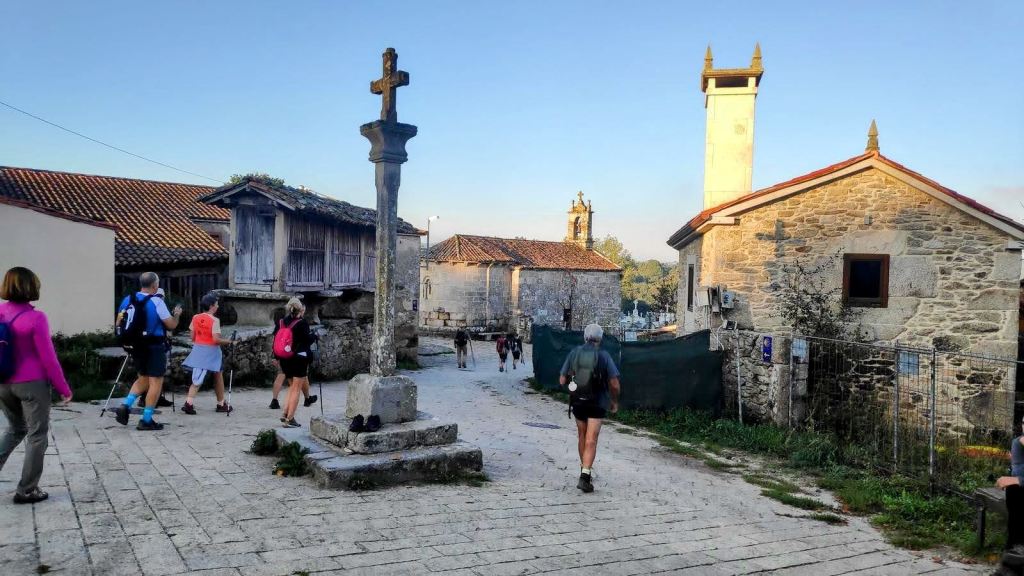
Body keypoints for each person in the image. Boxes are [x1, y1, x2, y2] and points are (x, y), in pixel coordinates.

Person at [0, 267, 73, 504]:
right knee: (36, 434)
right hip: (32, 384)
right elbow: (48, 358)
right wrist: (63, 388)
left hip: (3, 382)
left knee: (14, 429)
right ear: (32, 287)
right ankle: (27, 489)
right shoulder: (36, 318)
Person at [114, 272, 182, 430]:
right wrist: (177, 316)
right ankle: (146, 420)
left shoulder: (127, 299)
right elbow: (171, 325)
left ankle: (125, 406)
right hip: (153, 345)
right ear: (154, 285)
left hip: (135, 346)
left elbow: (119, 321)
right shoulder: (157, 302)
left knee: (143, 378)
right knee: (156, 382)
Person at [559, 323, 620, 493]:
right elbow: (614, 383)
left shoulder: (574, 353)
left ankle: (583, 469)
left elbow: (562, 380)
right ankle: (585, 475)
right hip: (597, 402)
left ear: (584, 337)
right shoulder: (604, 356)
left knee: (582, 435)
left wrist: (574, 379)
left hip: (578, 401)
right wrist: (614, 401)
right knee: (591, 439)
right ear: (600, 338)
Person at [180, 293, 234, 415]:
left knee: (197, 376)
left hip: (198, 349)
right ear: (211, 306)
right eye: (216, 304)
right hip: (212, 352)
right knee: (216, 375)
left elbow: (192, 336)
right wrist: (229, 341)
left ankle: (190, 402)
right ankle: (219, 404)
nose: (218, 306)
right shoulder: (215, 321)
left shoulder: (195, 317)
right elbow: (216, 340)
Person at [274, 298, 313, 428]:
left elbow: (276, 339)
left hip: (285, 358)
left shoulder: (281, 322)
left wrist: (276, 357)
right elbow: (307, 340)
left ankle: (285, 413)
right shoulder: (302, 323)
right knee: (296, 388)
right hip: (299, 359)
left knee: (291, 387)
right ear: (300, 309)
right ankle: (290, 418)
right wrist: (315, 336)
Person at [993, 416, 1024, 576]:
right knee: (1014, 490)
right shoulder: (1017, 443)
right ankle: (1015, 554)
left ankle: (1014, 556)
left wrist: (1017, 479)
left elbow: (1018, 477)